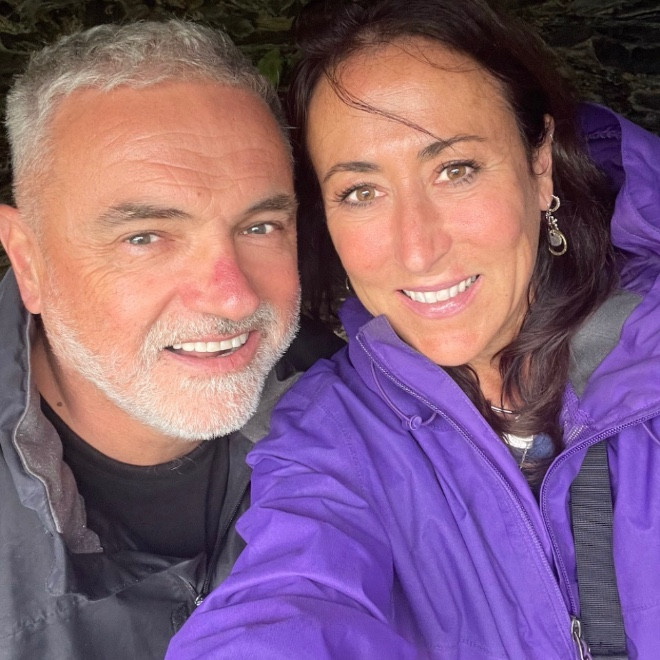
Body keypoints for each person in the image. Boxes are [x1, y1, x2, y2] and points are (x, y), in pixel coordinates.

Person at [166, 0, 660, 658]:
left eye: (455, 170)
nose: (418, 250)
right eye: (361, 192)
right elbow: (288, 600)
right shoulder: (331, 431)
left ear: (539, 164)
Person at [0, 19, 344, 659]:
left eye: (260, 227)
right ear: (28, 259)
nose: (233, 297)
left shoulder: (359, 405)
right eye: (145, 237)